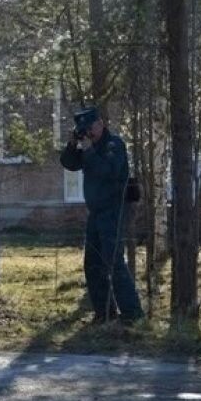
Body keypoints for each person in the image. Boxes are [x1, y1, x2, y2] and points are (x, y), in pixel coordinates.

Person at [59, 107, 144, 324]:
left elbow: (107, 171)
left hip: (114, 210)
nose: (88, 133)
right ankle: (104, 313)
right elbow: (69, 163)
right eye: (84, 130)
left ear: (100, 124)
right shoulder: (91, 147)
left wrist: (89, 151)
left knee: (114, 261)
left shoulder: (114, 144)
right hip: (95, 213)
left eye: (90, 128)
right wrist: (72, 145)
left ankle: (132, 313)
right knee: (92, 264)